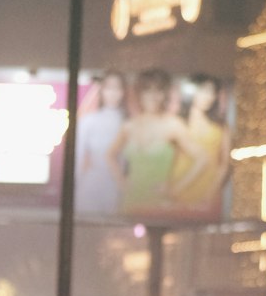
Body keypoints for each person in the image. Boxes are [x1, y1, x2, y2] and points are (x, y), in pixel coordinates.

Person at [106, 68, 208, 216]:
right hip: (131, 202)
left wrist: (176, 188)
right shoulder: (130, 126)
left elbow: (202, 158)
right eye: (148, 90)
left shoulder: (173, 125)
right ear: (140, 94)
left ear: (165, 94)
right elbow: (110, 155)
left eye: (158, 91)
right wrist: (122, 182)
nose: (153, 97)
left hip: (160, 204)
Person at [171, 74, 231, 212]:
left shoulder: (221, 126)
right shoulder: (178, 122)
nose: (208, 96)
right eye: (203, 90)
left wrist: (209, 196)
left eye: (212, 92)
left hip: (209, 190)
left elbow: (224, 166)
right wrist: (174, 189)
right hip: (180, 187)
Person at [75, 70, 127, 217]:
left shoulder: (128, 122)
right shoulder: (89, 121)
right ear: (102, 90)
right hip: (90, 189)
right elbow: (77, 159)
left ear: (123, 91)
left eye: (117, 88)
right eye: (108, 87)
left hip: (118, 190)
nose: (112, 93)